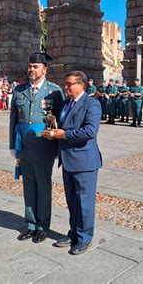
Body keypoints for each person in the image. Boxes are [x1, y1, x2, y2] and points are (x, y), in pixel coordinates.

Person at [44, 71, 102, 255]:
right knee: (72, 201)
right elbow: (61, 124)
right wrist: (52, 128)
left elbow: (90, 131)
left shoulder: (92, 104)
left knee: (84, 202)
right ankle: (74, 233)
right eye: (65, 84)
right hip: (68, 160)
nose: (66, 87)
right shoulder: (66, 104)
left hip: (84, 161)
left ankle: (85, 238)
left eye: (70, 84)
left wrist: (64, 134)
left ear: (81, 85)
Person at [9, 52, 64, 243]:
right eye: (30, 66)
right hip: (24, 145)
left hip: (43, 145)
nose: (31, 70)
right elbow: (13, 120)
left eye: (36, 66)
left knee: (43, 186)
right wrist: (12, 145)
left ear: (44, 69)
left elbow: (60, 119)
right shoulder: (19, 90)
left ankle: (43, 226)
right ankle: (31, 224)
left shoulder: (54, 91)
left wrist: (57, 143)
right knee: (28, 186)